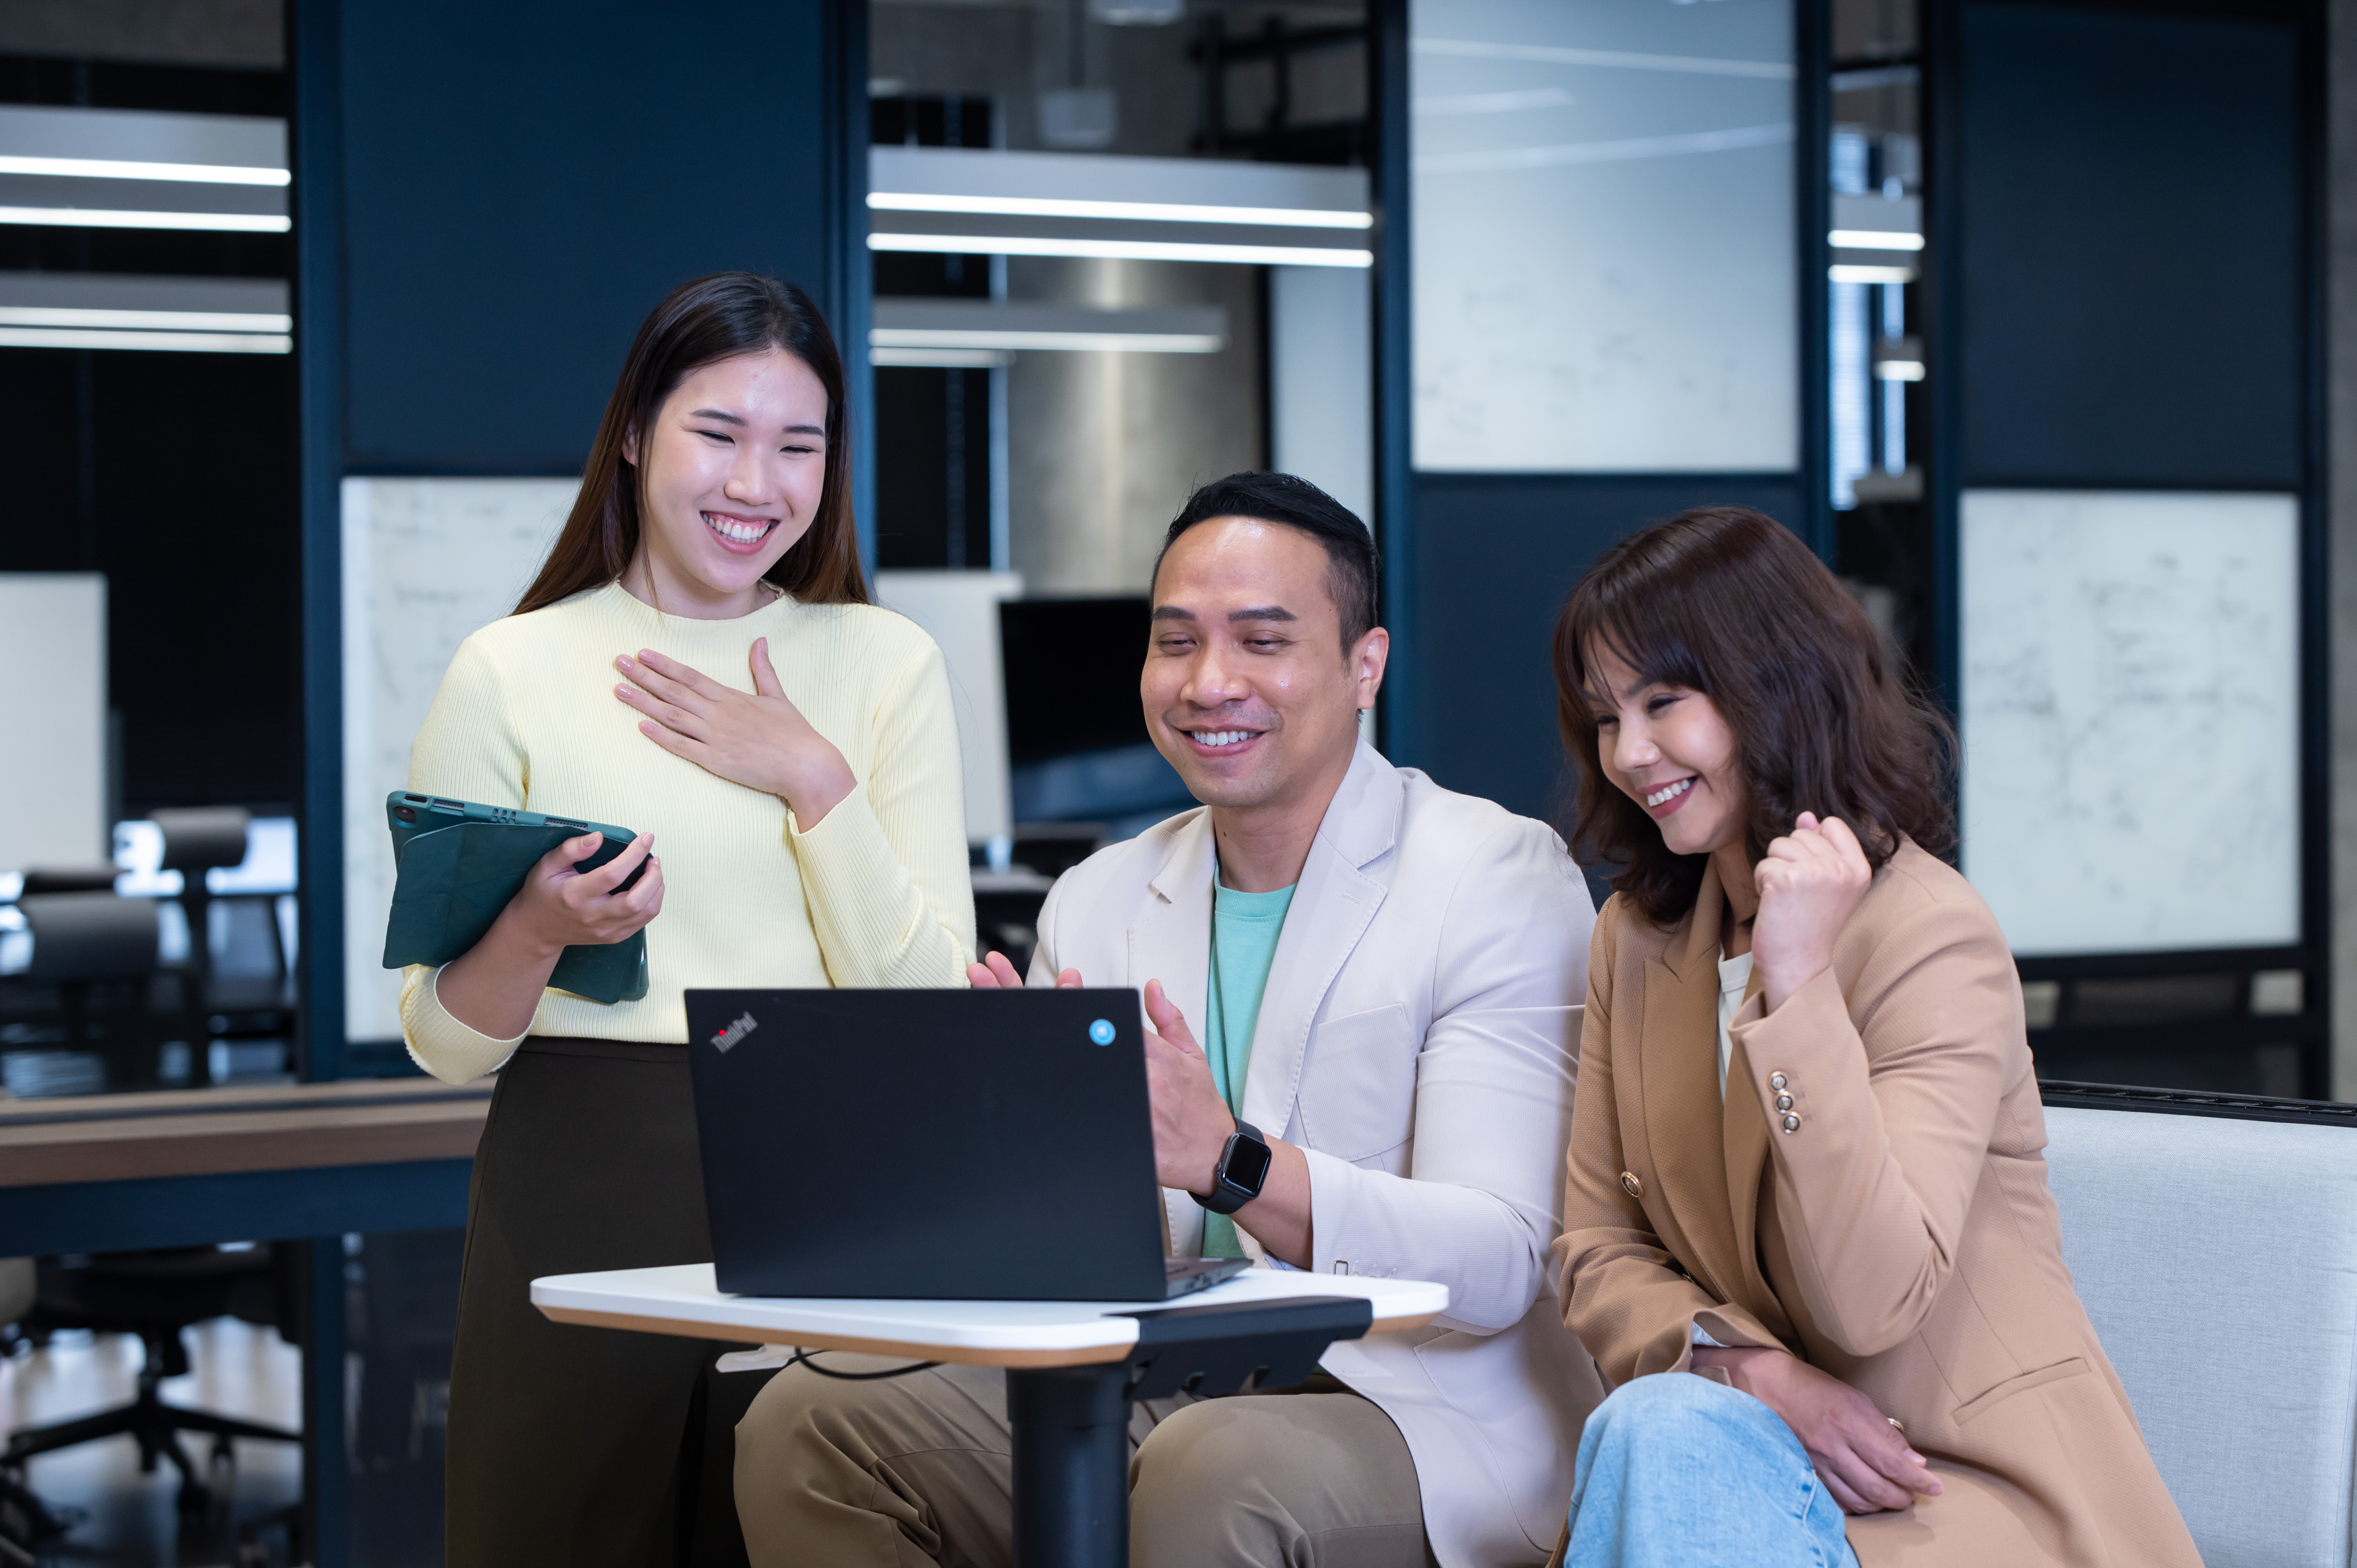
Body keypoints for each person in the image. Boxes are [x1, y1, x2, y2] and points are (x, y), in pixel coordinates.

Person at [732, 471, 1605, 1567]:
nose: (1209, 682)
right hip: (1168, 1382)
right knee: (808, 1424)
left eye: (1262, 640)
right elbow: (1097, 1258)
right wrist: (1024, 1163)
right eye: (1177, 641)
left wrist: (1233, 1161)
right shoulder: (1098, 896)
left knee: (1212, 1468)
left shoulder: (1496, 875)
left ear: (1365, 666)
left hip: (1424, 1410)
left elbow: (1500, 1262)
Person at [401, 271, 974, 1567]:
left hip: (824, 1177)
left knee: (787, 1531)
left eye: (798, 445)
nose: (755, 482)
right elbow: (443, 1041)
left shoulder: (887, 663)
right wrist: (537, 928)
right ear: (634, 433)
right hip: (579, 1167)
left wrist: (814, 778)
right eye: (718, 432)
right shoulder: (511, 668)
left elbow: (929, 1010)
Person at [1546, 506, 2198, 1568]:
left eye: (1663, 702)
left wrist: (1799, 984)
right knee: (1656, 1429)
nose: (1629, 752)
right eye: (1604, 716)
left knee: (1658, 1436)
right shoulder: (1635, 937)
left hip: (1953, 1489)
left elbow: (1871, 1297)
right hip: (1742, 1461)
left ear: (1773, 681)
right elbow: (1595, 1247)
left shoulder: (1931, 933)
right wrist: (1760, 1375)